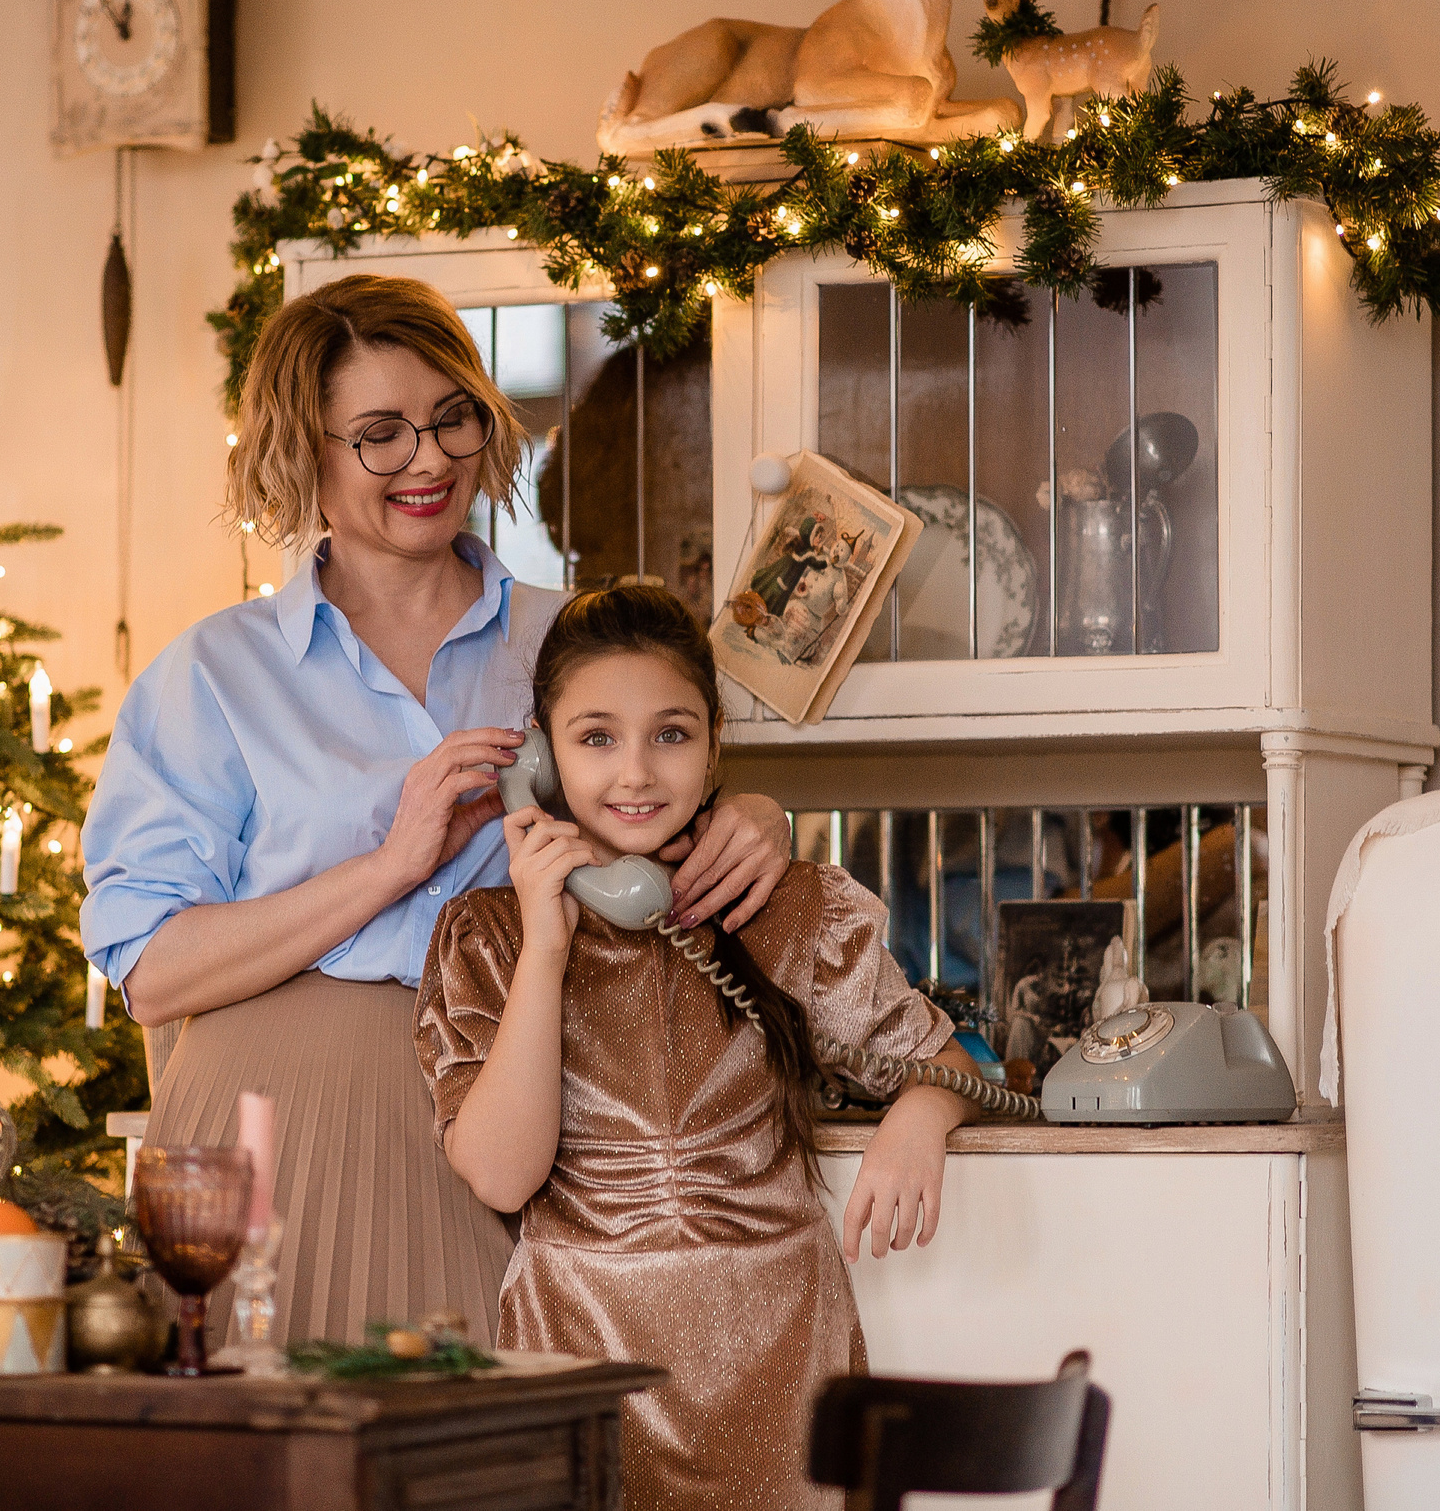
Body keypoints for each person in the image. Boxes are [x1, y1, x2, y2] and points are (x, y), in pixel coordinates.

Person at [80, 276, 792, 1349]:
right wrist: (389, 865)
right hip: (276, 1130)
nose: (430, 459)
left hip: (548, 1121)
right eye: (378, 434)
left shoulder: (572, 641)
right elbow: (153, 972)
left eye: (451, 417)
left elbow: (666, 796)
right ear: (300, 452)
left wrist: (760, 818)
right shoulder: (216, 674)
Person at [416, 586, 981, 1511]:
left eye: (670, 735)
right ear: (544, 757)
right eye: (596, 738)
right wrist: (548, 942)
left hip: (781, 1359)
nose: (636, 773)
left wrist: (922, 1113)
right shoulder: (489, 936)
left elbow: (950, 1067)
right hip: (579, 1360)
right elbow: (502, 1174)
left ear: (716, 740)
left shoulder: (792, 907)